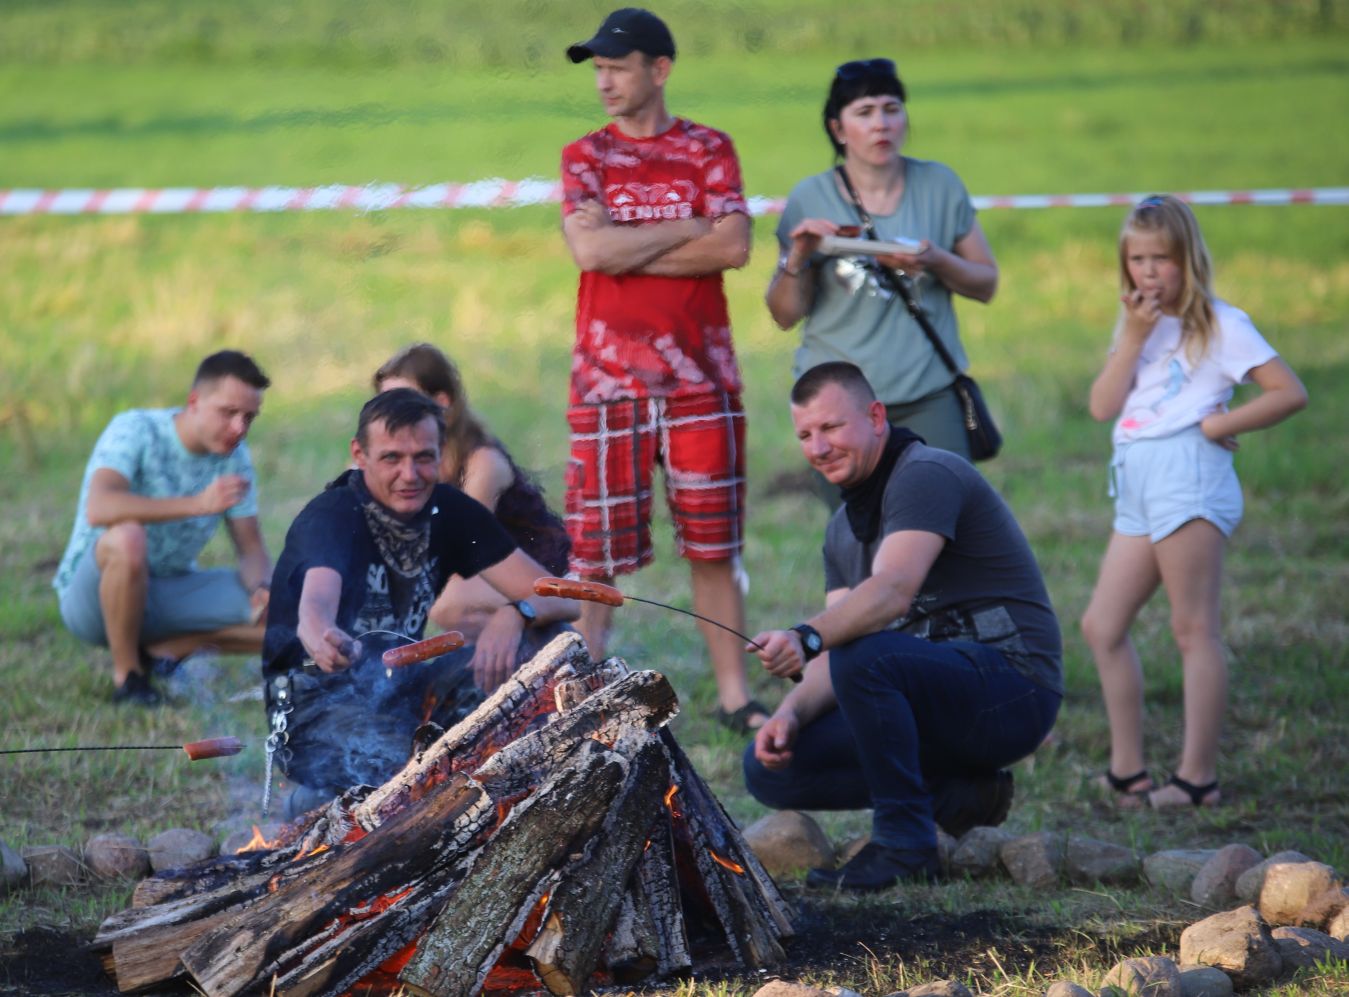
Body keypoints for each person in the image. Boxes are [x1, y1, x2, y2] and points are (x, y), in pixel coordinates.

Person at [743, 363, 1062, 891]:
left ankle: (904, 843)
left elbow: (892, 591)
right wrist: (789, 714)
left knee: (867, 658)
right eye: (805, 434)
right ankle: (960, 795)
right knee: (770, 767)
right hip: (934, 700)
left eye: (831, 428)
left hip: (1014, 690)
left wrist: (806, 636)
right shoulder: (843, 528)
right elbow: (837, 645)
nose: (818, 447)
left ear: (875, 417)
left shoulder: (925, 474)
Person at [561, 9, 762, 732]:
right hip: (606, 380)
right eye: (598, 69)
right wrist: (685, 228)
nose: (605, 81)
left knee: (714, 544)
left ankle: (735, 694)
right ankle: (581, 691)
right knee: (595, 552)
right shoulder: (583, 155)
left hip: (700, 378)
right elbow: (591, 256)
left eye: (617, 67)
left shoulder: (710, 148)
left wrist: (628, 240)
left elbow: (733, 246)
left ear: (660, 69)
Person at [1080, 195, 1308, 811]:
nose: (1149, 272)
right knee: (1102, 625)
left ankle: (1196, 778)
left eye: (1163, 258)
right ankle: (1129, 773)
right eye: (1137, 259)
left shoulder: (1222, 323)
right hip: (1136, 475)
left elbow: (1290, 391)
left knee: (1192, 628)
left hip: (1189, 474)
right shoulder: (1134, 324)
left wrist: (1218, 423)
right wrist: (1131, 336)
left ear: (1189, 258)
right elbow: (1103, 406)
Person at [261, 389, 579, 810]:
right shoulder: (332, 515)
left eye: (423, 457)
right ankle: (316, 802)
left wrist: (516, 612)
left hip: (404, 689)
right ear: (360, 454)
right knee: (413, 776)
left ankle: (537, 779)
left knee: (551, 643)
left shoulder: (449, 511)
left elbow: (564, 599)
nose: (409, 474)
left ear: (442, 454)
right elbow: (315, 605)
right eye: (392, 458)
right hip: (317, 708)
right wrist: (322, 636)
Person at [765, 57, 997, 461]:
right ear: (837, 128)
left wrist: (937, 260)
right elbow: (784, 315)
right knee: (859, 525)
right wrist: (799, 256)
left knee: (937, 516)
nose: (881, 124)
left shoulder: (940, 185)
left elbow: (986, 284)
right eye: (865, 113)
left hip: (928, 395)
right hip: (838, 406)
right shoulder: (810, 197)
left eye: (892, 109)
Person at [53, 350, 274, 707]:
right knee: (127, 538)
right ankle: (129, 677)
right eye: (228, 413)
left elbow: (251, 551)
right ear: (194, 402)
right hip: (93, 601)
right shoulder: (136, 429)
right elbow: (100, 507)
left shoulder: (235, 455)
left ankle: (166, 652)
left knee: (288, 609)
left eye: (249, 417)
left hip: (168, 592)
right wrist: (197, 504)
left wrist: (262, 589)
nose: (239, 428)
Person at [373, 343, 571, 637]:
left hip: (543, 581)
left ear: (442, 403)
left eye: (404, 405)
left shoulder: (484, 463)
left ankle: (541, 646)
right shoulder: (413, 466)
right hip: (485, 581)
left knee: (443, 601)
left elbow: (459, 547)